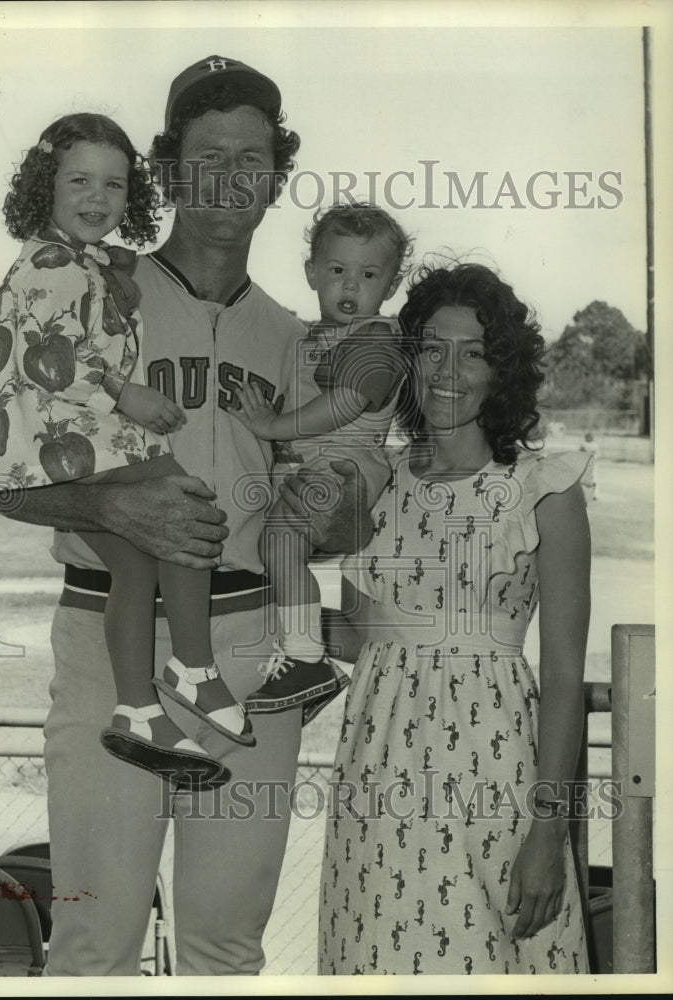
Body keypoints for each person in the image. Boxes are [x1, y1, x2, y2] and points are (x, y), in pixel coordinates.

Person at [0, 54, 359, 976]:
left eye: (250, 158)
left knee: (224, 947)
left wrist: (335, 511)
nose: (227, 179)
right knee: (95, 944)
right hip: (106, 637)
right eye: (204, 155)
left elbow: (348, 517)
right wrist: (104, 500)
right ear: (169, 170)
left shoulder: (299, 339)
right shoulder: (91, 283)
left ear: (276, 175)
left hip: (253, 647)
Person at [0, 112, 252, 790]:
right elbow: (45, 361)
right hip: (60, 431)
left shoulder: (78, 261)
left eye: (114, 186)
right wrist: (128, 395)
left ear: (133, 196)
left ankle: (141, 709)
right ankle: (193, 668)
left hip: (66, 427)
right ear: (45, 187)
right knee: (186, 503)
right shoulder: (53, 265)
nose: (97, 198)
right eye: (80, 180)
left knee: (137, 570)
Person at [318, 261, 593, 974]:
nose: (450, 370)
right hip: (376, 786)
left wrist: (546, 833)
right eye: (432, 348)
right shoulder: (375, 481)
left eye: (474, 354)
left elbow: (564, 678)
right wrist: (250, 612)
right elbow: (357, 637)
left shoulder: (543, 488)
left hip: (494, 782)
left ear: (502, 371)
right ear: (407, 360)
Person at [231, 202, 414, 713]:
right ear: (312, 273)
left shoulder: (378, 337)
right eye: (337, 271)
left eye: (369, 274)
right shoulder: (308, 336)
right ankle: (304, 659)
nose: (351, 286)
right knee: (274, 549)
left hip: (347, 464)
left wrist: (272, 426)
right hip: (313, 465)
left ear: (391, 285)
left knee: (283, 542)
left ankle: (306, 656)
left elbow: (344, 404)